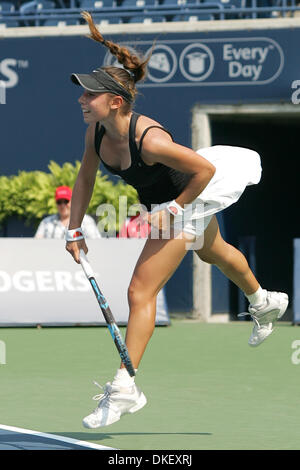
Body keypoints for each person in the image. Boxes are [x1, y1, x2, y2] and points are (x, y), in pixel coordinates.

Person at [65, 11, 288, 429]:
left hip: (189, 195)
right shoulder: (96, 133)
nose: (81, 99)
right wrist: (74, 228)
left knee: (139, 290)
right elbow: (85, 177)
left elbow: (202, 170)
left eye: (88, 95)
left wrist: (173, 209)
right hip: (171, 202)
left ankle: (126, 386)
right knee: (215, 253)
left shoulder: (149, 139)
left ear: (115, 101)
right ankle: (265, 301)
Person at [35, 185, 101, 239]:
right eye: (59, 202)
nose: (63, 205)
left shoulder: (86, 221)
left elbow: (96, 243)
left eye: (66, 201)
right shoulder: (46, 222)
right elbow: (36, 244)